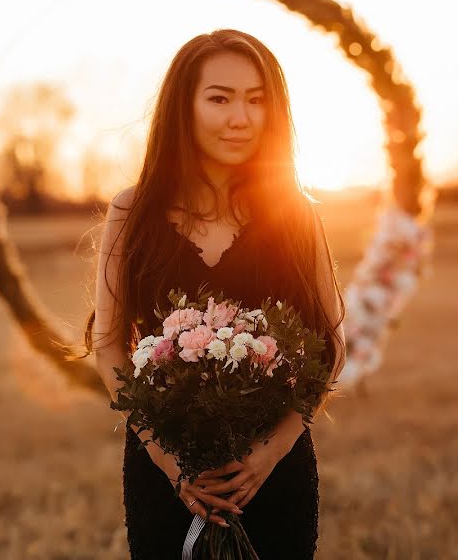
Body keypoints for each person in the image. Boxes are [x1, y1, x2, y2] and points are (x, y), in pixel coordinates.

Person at [74, 29, 346, 559]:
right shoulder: (132, 213)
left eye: (256, 100)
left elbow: (331, 347)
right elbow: (109, 347)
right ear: (184, 107)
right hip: (166, 475)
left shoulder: (298, 214)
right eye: (219, 98)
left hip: (274, 475)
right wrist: (173, 465)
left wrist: (270, 454)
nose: (239, 117)